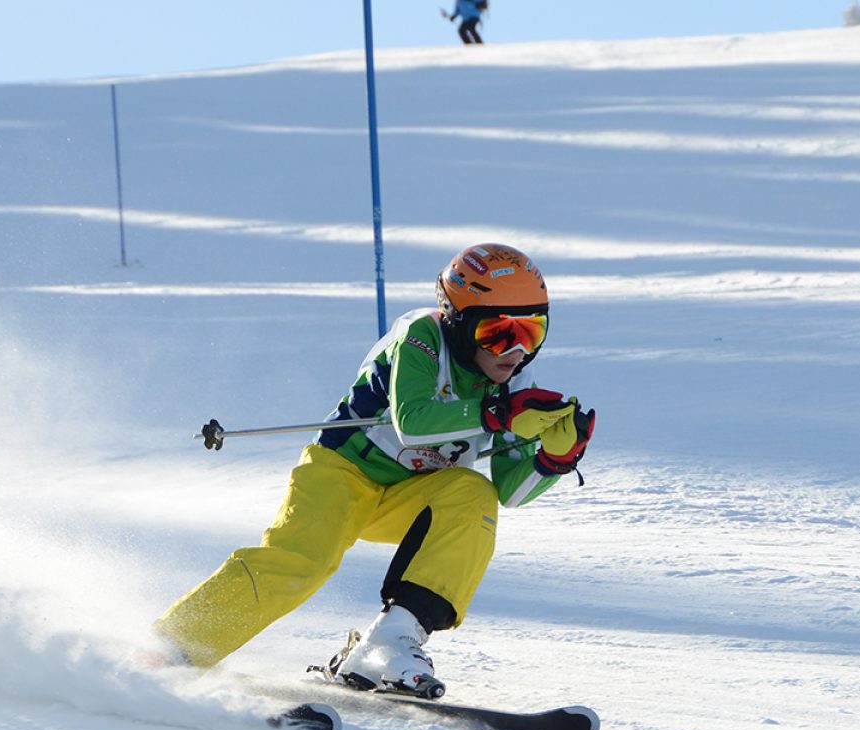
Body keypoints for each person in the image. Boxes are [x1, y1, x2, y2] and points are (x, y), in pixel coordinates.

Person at [153, 243, 594, 699]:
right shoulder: (422, 335)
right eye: (497, 333)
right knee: (302, 563)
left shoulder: (516, 384)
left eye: (532, 331)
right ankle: (174, 645)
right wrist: (498, 415)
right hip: (342, 473)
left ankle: (390, 642)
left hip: (410, 495)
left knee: (474, 494)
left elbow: (512, 491)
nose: (517, 350)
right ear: (459, 323)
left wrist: (554, 460)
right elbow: (413, 422)